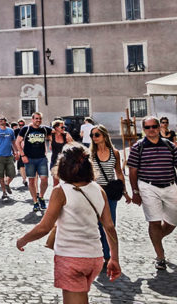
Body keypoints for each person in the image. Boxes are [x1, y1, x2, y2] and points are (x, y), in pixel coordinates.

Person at [17, 145, 121, 302]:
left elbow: (44, 227)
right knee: (81, 296)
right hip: (94, 258)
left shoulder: (60, 191)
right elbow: (109, 227)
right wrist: (114, 258)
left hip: (71, 257)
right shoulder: (98, 189)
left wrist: (23, 240)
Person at [127, 115, 177, 270]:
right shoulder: (138, 147)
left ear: (159, 127)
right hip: (148, 187)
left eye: (154, 126)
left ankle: (156, 239)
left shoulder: (170, 146)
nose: (151, 130)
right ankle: (160, 256)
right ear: (144, 130)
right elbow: (133, 171)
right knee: (154, 221)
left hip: (170, 185)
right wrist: (135, 192)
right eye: (147, 127)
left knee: (173, 221)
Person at [90, 124, 131, 264]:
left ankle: (108, 256)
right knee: (94, 225)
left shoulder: (115, 153)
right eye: (92, 135)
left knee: (110, 225)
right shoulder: (90, 154)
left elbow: (119, 172)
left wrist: (125, 192)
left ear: (104, 136)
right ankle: (98, 254)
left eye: (97, 135)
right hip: (94, 192)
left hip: (110, 192)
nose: (94, 138)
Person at [17, 112, 52, 212]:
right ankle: (35, 202)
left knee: (44, 179)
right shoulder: (26, 129)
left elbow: (56, 132)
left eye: (40, 118)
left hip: (41, 158)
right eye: (36, 118)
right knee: (31, 181)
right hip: (29, 159)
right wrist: (22, 155)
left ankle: (41, 197)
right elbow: (17, 142)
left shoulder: (44, 129)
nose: (38, 120)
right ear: (32, 119)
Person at [0, 117, 20, 199]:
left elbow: (13, 142)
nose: (1, 121)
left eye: (2, 120)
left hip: (9, 155)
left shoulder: (10, 131)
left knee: (12, 173)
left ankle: (7, 184)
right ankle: (4, 192)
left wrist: (16, 152)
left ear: (5, 122)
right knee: (1, 175)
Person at [50, 119, 73, 188]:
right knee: (56, 182)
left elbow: (73, 144)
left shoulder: (66, 135)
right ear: (56, 128)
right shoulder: (51, 135)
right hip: (55, 160)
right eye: (62, 127)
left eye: (64, 127)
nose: (64, 128)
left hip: (65, 161)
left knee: (67, 181)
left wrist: (69, 138)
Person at [13, 120, 28, 186]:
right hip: (20, 150)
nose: (21, 126)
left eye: (22, 125)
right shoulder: (16, 131)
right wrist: (16, 151)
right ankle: (24, 179)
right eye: (20, 125)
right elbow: (13, 141)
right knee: (22, 166)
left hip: (28, 150)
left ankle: (27, 178)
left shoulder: (27, 130)